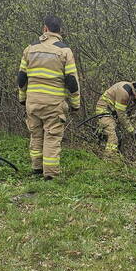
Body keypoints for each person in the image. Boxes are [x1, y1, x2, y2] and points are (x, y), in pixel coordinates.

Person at [17, 15, 80, 178]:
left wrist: (22, 98)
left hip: (33, 101)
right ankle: (50, 174)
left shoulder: (30, 49)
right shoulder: (64, 51)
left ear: (45, 28)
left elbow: (22, 78)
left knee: (36, 135)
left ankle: (37, 168)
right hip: (53, 103)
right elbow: (72, 81)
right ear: (60, 30)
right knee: (52, 137)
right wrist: (75, 104)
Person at [95, 81, 136, 156]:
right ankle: (108, 158)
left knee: (117, 136)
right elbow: (121, 115)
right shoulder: (124, 93)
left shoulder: (134, 96)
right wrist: (132, 131)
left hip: (113, 112)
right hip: (104, 109)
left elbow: (132, 115)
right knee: (113, 137)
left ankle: (100, 146)